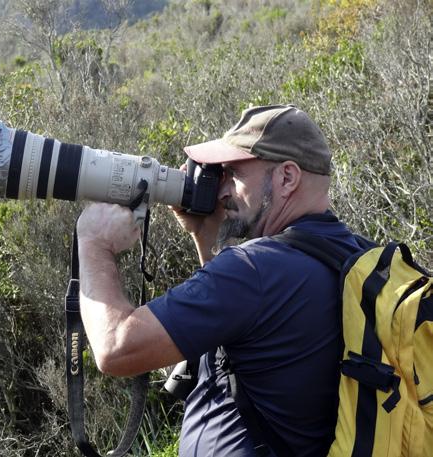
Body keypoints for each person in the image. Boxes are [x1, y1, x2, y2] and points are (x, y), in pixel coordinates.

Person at [76, 104, 361, 456]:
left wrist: (93, 243)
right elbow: (258, 333)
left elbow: (115, 348)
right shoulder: (348, 253)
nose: (221, 190)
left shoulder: (253, 270)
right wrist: (205, 237)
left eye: (232, 174)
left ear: (287, 178)